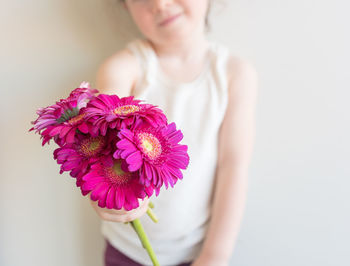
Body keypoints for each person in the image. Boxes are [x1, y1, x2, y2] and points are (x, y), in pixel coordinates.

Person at [89, 0, 258, 265]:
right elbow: (105, 151)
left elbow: (233, 166)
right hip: (127, 250)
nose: (160, 4)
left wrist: (215, 255)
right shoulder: (123, 70)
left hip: (199, 251)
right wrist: (105, 193)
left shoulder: (233, 74)